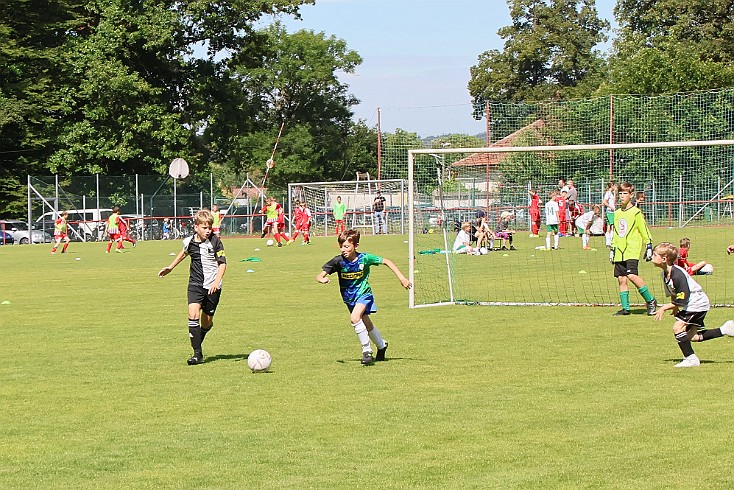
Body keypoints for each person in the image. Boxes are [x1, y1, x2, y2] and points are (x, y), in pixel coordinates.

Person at [316, 229, 411, 365]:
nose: (343, 249)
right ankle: (381, 345)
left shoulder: (364, 258)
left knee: (355, 318)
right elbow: (320, 275)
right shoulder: (338, 261)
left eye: (347, 246)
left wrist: (402, 278)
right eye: (341, 246)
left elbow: (387, 261)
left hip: (364, 294)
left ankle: (367, 351)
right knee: (365, 322)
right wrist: (322, 279)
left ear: (356, 246)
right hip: (349, 298)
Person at [158, 209, 227, 365]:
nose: (208, 230)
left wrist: (217, 281)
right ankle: (198, 354)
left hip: (212, 286)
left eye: (209, 227)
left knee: (207, 322)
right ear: (196, 227)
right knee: (193, 314)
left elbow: (222, 263)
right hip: (195, 284)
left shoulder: (216, 242)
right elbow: (184, 253)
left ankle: (200, 337)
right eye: (204, 227)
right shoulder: (189, 241)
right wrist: (170, 267)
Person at [651, 241, 734, 368]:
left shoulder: (678, 274)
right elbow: (675, 293)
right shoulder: (664, 274)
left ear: (664, 259)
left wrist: (664, 307)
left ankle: (691, 359)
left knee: (677, 328)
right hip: (693, 303)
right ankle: (725, 329)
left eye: (654, 254)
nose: (652, 256)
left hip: (696, 303)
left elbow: (682, 298)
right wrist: (675, 308)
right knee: (692, 337)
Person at [610, 182, 657, 316]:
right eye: (620, 193)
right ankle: (626, 308)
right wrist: (612, 248)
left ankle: (651, 300)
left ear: (631, 195)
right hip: (620, 250)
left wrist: (649, 245)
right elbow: (616, 231)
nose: (622, 196)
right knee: (621, 278)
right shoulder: (617, 213)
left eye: (625, 193)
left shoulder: (636, 212)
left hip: (632, 250)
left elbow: (644, 230)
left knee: (631, 275)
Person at [602, 181, 617, 247]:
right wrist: (610, 207)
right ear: (612, 186)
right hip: (610, 212)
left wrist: (615, 193)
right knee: (612, 226)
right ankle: (610, 241)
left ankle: (608, 242)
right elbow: (604, 201)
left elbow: (614, 202)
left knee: (609, 226)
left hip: (612, 211)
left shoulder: (611, 193)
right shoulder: (608, 193)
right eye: (615, 185)